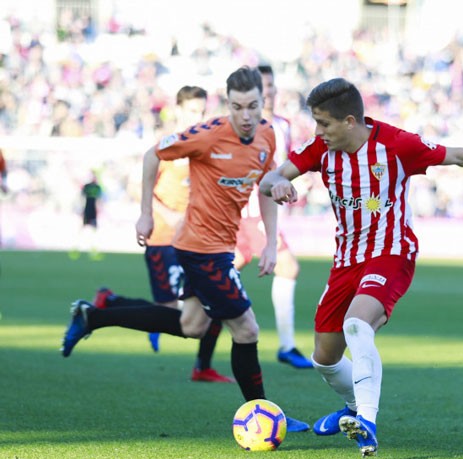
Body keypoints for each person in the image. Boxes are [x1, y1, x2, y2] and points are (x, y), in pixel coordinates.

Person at [259, 77, 463, 456]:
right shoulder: (319, 150)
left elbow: (460, 156)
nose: (318, 132)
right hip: (345, 261)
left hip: (391, 253)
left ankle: (367, 420)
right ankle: (352, 408)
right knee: (324, 358)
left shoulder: (398, 145)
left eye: (324, 124)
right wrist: (278, 185)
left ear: (350, 121)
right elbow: (271, 178)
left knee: (357, 325)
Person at [61, 66, 309, 432]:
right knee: (247, 329)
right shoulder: (207, 135)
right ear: (228, 104)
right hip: (200, 248)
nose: (245, 116)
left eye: (252, 106)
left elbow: (266, 183)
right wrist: (146, 213)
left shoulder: (268, 136)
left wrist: (271, 240)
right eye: (237, 107)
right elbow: (152, 155)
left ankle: (93, 316)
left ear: (262, 103)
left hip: (221, 246)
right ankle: (266, 415)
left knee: (191, 325)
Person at [94, 85, 232, 383]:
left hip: (197, 240)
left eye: (203, 110)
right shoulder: (168, 146)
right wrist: (164, 214)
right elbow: (136, 185)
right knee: (170, 312)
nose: (199, 116)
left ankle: (203, 366)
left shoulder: (205, 144)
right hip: (165, 238)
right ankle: (111, 303)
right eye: (193, 110)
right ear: (179, 110)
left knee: (217, 301)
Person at [233, 64, 312, 369]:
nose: (269, 91)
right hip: (252, 213)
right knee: (287, 268)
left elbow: (283, 167)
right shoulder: (248, 126)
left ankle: (176, 312)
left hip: (262, 211)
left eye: (271, 85)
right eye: (263, 86)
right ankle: (287, 345)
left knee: (220, 276)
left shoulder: (283, 124)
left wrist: (295, 183)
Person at [70, 172, 103, 260]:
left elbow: (99, 200)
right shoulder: (87, 186)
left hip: (93, 211)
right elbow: (81, 198)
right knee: (82, 229)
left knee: (93, 231)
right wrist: (81, 209)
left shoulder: (97, 187)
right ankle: (76, 248)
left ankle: (93, 250)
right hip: (87, 210)